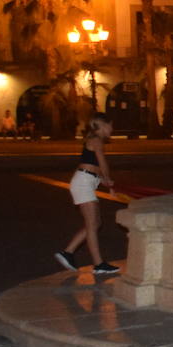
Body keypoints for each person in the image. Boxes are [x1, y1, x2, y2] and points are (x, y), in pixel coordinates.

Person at [54, 114, 120, 275]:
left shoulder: (94, 139)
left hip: (86, 181)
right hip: (83, 183)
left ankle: (67, 252)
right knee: (92, 224)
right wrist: (108, 180)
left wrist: (104, 181)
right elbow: (102, 163)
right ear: (104, 125)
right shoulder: (96, 140)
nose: (112, 129)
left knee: (95, 223)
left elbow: (94, 166)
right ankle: (98, 264)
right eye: (111, 125)